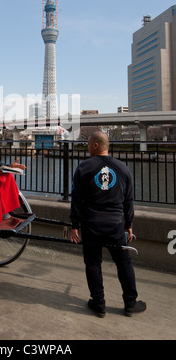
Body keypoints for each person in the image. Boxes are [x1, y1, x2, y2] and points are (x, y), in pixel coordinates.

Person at [70, 131, 146, 317]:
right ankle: (130, 303)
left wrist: (74, 225)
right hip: (114, 225)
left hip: (91, 224)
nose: (87, 147)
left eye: (88, 144)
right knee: (124, 263)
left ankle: (99, 303)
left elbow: (76, 199)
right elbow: (128, 200)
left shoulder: (84, 168)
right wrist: (128, 224)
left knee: (93, 263)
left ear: (95, 145)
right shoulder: (122, 168)